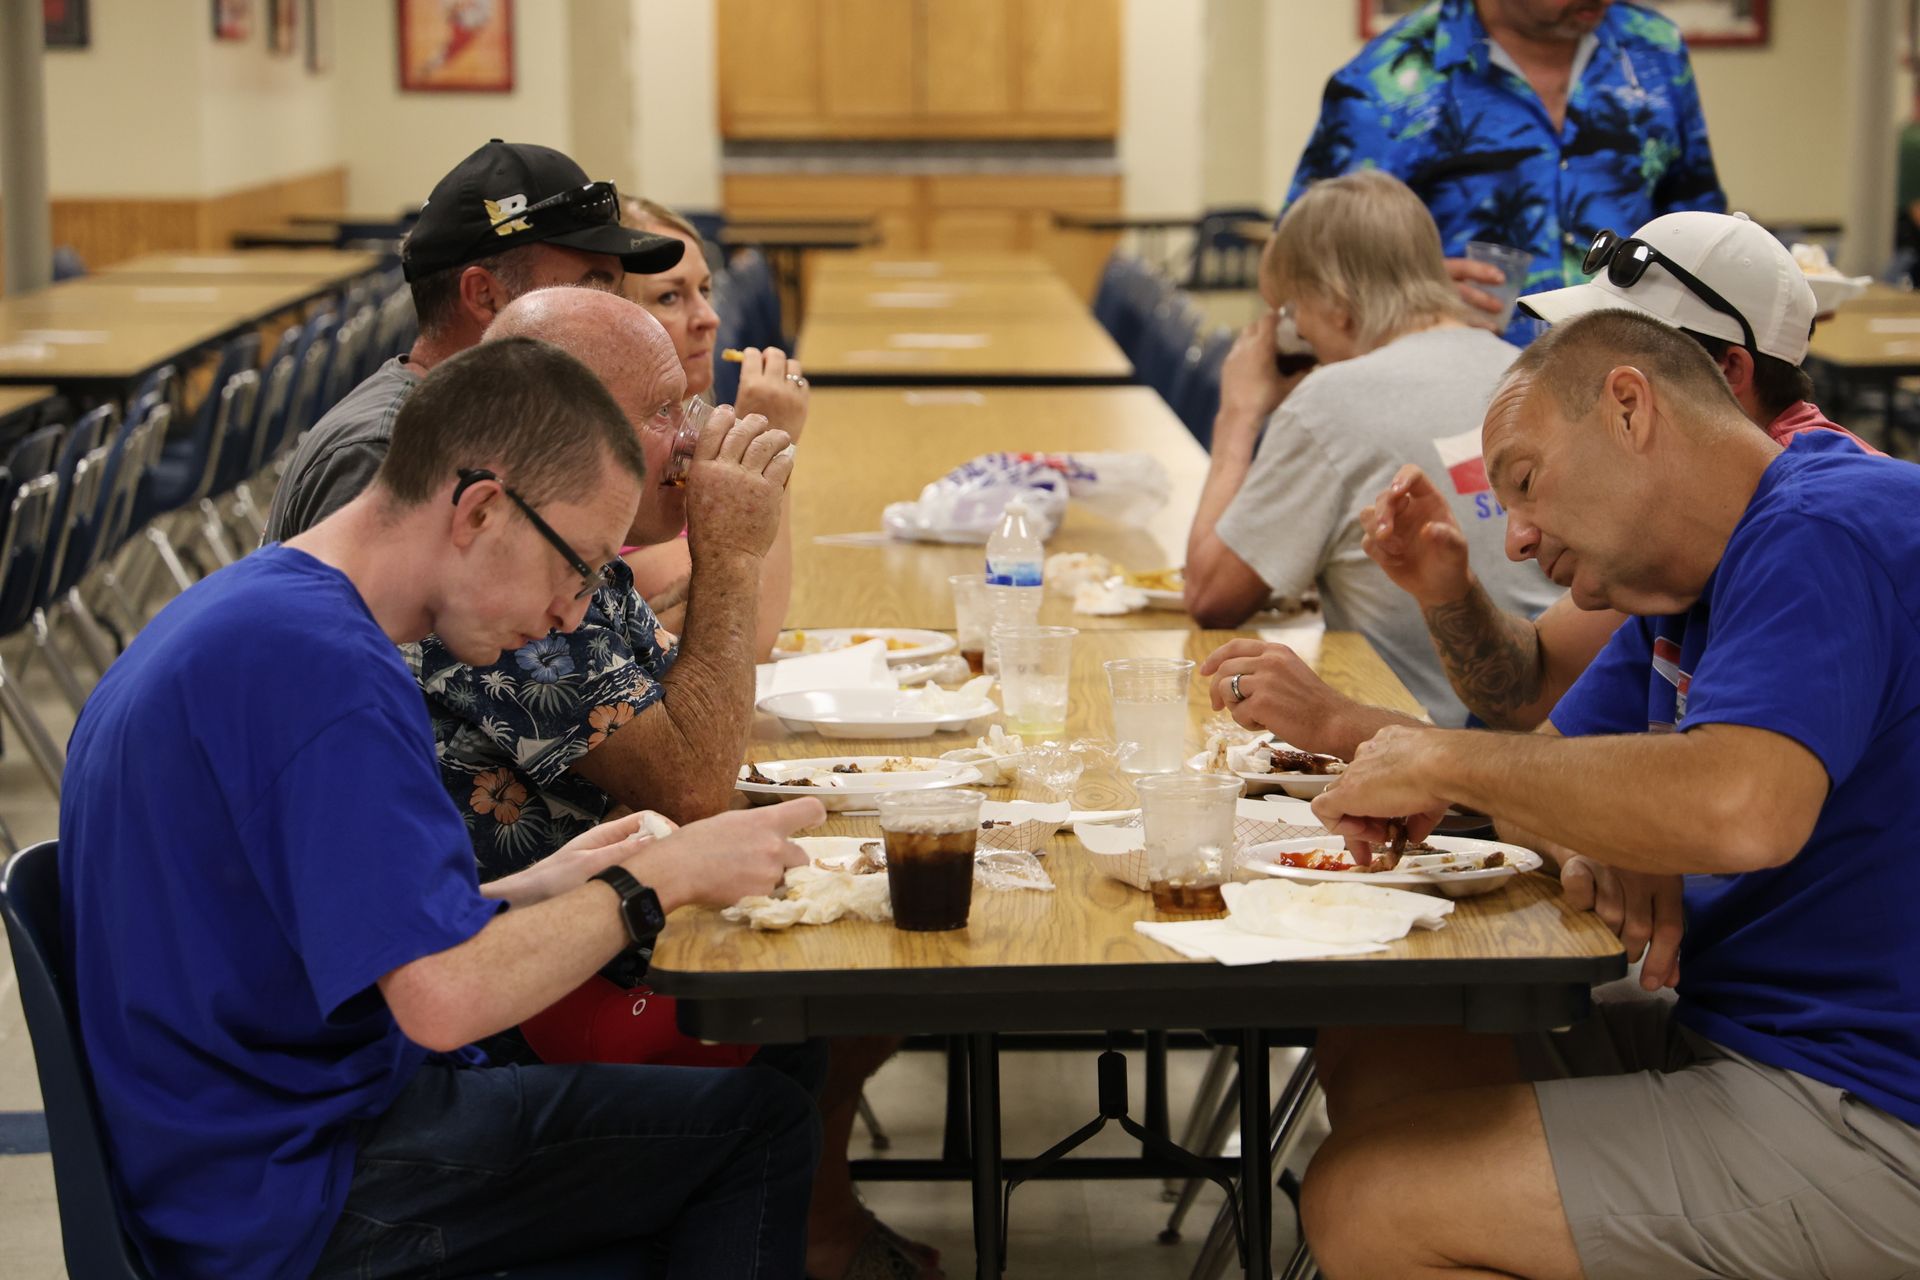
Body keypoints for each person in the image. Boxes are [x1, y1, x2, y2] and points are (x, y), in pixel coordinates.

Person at [61, 337, 826, 1280]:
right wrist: (655, 879)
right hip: (290, 1184)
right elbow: (442, 1002)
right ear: (480, 511)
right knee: (760, 1127)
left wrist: (544, 884)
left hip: (226, 1140)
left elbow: (343, 932)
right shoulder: (328, 674)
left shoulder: (264, 611)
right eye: (579, 568)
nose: (572, 614)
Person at [1293, 309, 1920, 1279]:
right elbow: (1546, 776)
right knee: (1389, 1038)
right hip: (1740, 1027)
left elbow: (1740, 808)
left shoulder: (1824, 525)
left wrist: (1452, 763)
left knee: (1367, 1200)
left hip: (1872, 1103)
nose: (1517, 539)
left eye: (1525, 481)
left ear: (1630, 408)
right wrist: (1604, 821)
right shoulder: (1685, 583)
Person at [432, 290, 936, 1280]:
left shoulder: (574, 557)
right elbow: (697, 781)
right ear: (561, 428)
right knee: (826, 1004)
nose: (697, 433)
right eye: (666, 410)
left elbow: (701, 694)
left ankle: (813, 1233)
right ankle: (806, 1235)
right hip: (533, 997)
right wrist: (733, 549)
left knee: (860, 948)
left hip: (569, 932)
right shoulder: (499, 580)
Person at [1202, 210, 1881, 757]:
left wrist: (1344, 725)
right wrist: (1447, 591)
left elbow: (1728, 812)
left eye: (1606, 371)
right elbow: (1531, 699)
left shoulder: (1816, 524)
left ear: (1726, 374)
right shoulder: (1677, 547)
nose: (1574, 387)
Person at [1185, 170, 1558, 725]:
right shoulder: (1530, 369)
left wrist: (1238, 413)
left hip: (1434, 739)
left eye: (1292, 311)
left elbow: (1211, 595)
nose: (1296, 334)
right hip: (1569, 726)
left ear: (1337, 302)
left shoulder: (1330, 400)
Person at [265, 138, 683, 541]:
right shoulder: (391, 452)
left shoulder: (494, 427)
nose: (618, 312)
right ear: (485, 296)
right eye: (593, 289)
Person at [1286, 0, 1725, 340]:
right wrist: (1409, 289)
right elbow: (1304, 262)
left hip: (1635, 378)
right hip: (1462, 386)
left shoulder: (1654, 49)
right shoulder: (1385, 80)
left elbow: (1698, 219)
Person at [618, 195, 806, 660]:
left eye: (705, 289)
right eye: (670, 296)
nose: (709, 317)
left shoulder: (683, 432)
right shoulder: (616, 462)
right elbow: (747, 636)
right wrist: (766, 445)